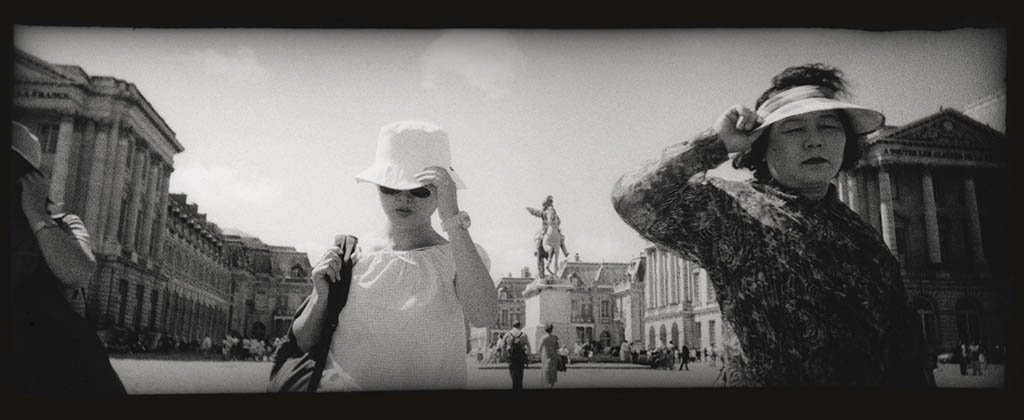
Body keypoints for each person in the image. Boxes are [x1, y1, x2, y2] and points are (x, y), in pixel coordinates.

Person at [611, 63, 935, 387]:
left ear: (847, 142)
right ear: (761, 147)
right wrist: (715, 143)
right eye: (794, 129)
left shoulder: (866, 239)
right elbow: (632, 199)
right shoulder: (732, 212)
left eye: (829, 126)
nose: (814, 141)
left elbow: (908, 358)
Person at [291, 120, 497, 392]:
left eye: (419, 190)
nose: (403, 200)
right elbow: (304, 341)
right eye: (390, 188)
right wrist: (321, 298)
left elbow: (483, 315)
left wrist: (452, 217)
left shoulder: (460, 255)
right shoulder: (349, 256)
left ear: (443, 191)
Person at [9, 121, 126, 396]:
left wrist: (37, 215)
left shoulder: (64, 224)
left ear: (31, 180)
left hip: (51, 368)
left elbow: (78, 272)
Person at [503, 321, 531, 390]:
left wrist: (504, 355)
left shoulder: (508, 334)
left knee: (513, 372)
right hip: (521, 356)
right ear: (520, 326)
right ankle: (519, 386)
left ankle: (514, 385)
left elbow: (502, 346)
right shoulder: (524, 334)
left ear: (513, 325)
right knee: (520, 374)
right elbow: (528, 347)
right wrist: (529, 356)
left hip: (511, 356)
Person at [537, 323, 561, 388]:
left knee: (546, 371)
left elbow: (539, 348)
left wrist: (538, 355)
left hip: (546, 356)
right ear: (552, 329)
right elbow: (558, 347)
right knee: (553, 371)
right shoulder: (555, 337)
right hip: (554, 356)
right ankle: (552, 386)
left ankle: (546, 385)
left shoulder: (543, 338)